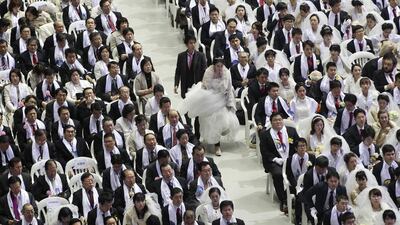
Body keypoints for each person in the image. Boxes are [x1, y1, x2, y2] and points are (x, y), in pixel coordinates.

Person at [179, 57, 239, 156]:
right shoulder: (208, 71)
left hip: (221, 97)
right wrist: (207, 101)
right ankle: (200, 140)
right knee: (204, 117)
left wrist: (230, 103)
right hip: (209, 95)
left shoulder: (226, 73)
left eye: (221, 66)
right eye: (217, 66)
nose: (219, 68)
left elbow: (228, 89)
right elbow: (205, 87)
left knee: (221, 119)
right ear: (213, 66)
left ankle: (217, 143)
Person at [259, 112, 300, 212]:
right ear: (271, 122)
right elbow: (264, 151)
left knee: (297, 172)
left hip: (290, 160)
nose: (278, 122)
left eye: (280, 119)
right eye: (275, 120)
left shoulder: (291, 131)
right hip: (273, 161)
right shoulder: (265, 134)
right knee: (278, 174)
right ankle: (284, 199)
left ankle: (296, 195)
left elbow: (298, 145)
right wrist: (276, 159)